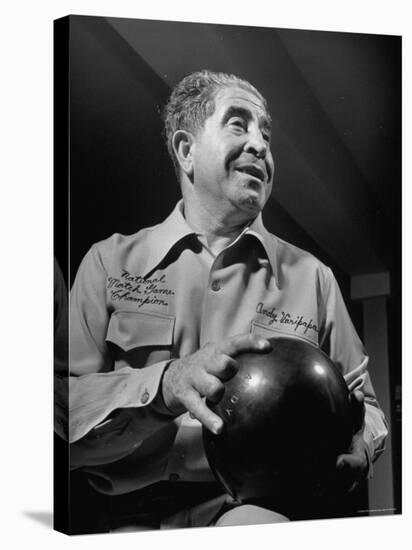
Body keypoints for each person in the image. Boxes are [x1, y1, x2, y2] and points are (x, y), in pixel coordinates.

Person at [66, 70, 388, 532]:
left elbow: (369, 411)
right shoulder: (107, 263)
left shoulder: (314, 278)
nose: (260, 144)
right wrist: (167, 384)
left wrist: (362, 442)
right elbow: (56, 413)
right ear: (186, 150)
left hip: (254, 514)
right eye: (239, 125)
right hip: (118, 519)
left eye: (266, 134)